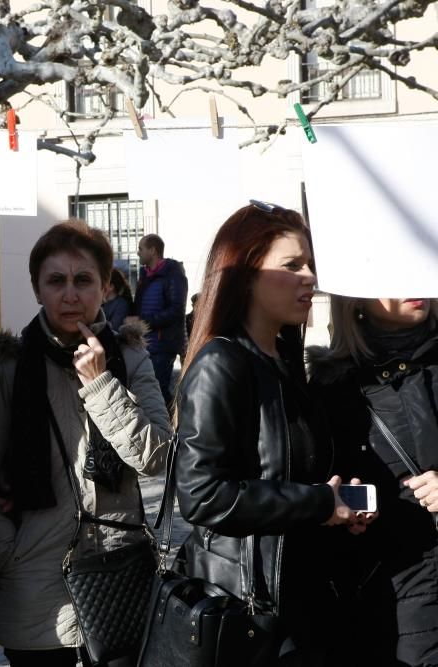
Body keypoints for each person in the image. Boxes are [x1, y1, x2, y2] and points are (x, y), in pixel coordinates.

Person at [175, 201, 370, 664]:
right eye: (292, 265)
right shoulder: (221, 363)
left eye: (311, 266)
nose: (310, 278)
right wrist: (319, 503)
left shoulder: (284, 362)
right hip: (249, 609)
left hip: (300, 595)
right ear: (245, 273)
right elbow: (201, 496)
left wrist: (344, 504)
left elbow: (297, 473)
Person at [0, 221, 171, 666]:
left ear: (105, 286)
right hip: (35, 582)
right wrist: (7, 553)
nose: (70, 294)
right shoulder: (7, 367)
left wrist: (101, 384)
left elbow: (157, 458)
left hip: (118, 573)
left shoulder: (131, 356)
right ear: (37, 288)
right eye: (56, 281)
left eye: (83, 280)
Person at [308, 295, 438, 665]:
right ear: (356, 299)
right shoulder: (332, 385)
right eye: (392, 277)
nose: (413, 284)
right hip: (383, 591)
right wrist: (339, 510)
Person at [132, 234, 188, 404]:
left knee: (159, 391)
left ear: (153, 250)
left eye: (141, 248)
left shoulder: (173, 274)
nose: (137, 252)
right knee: (149, 391)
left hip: (163, 344)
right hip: (145, 343)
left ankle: (173, 426)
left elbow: (176, 311)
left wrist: (143, 322)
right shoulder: (144, 275)